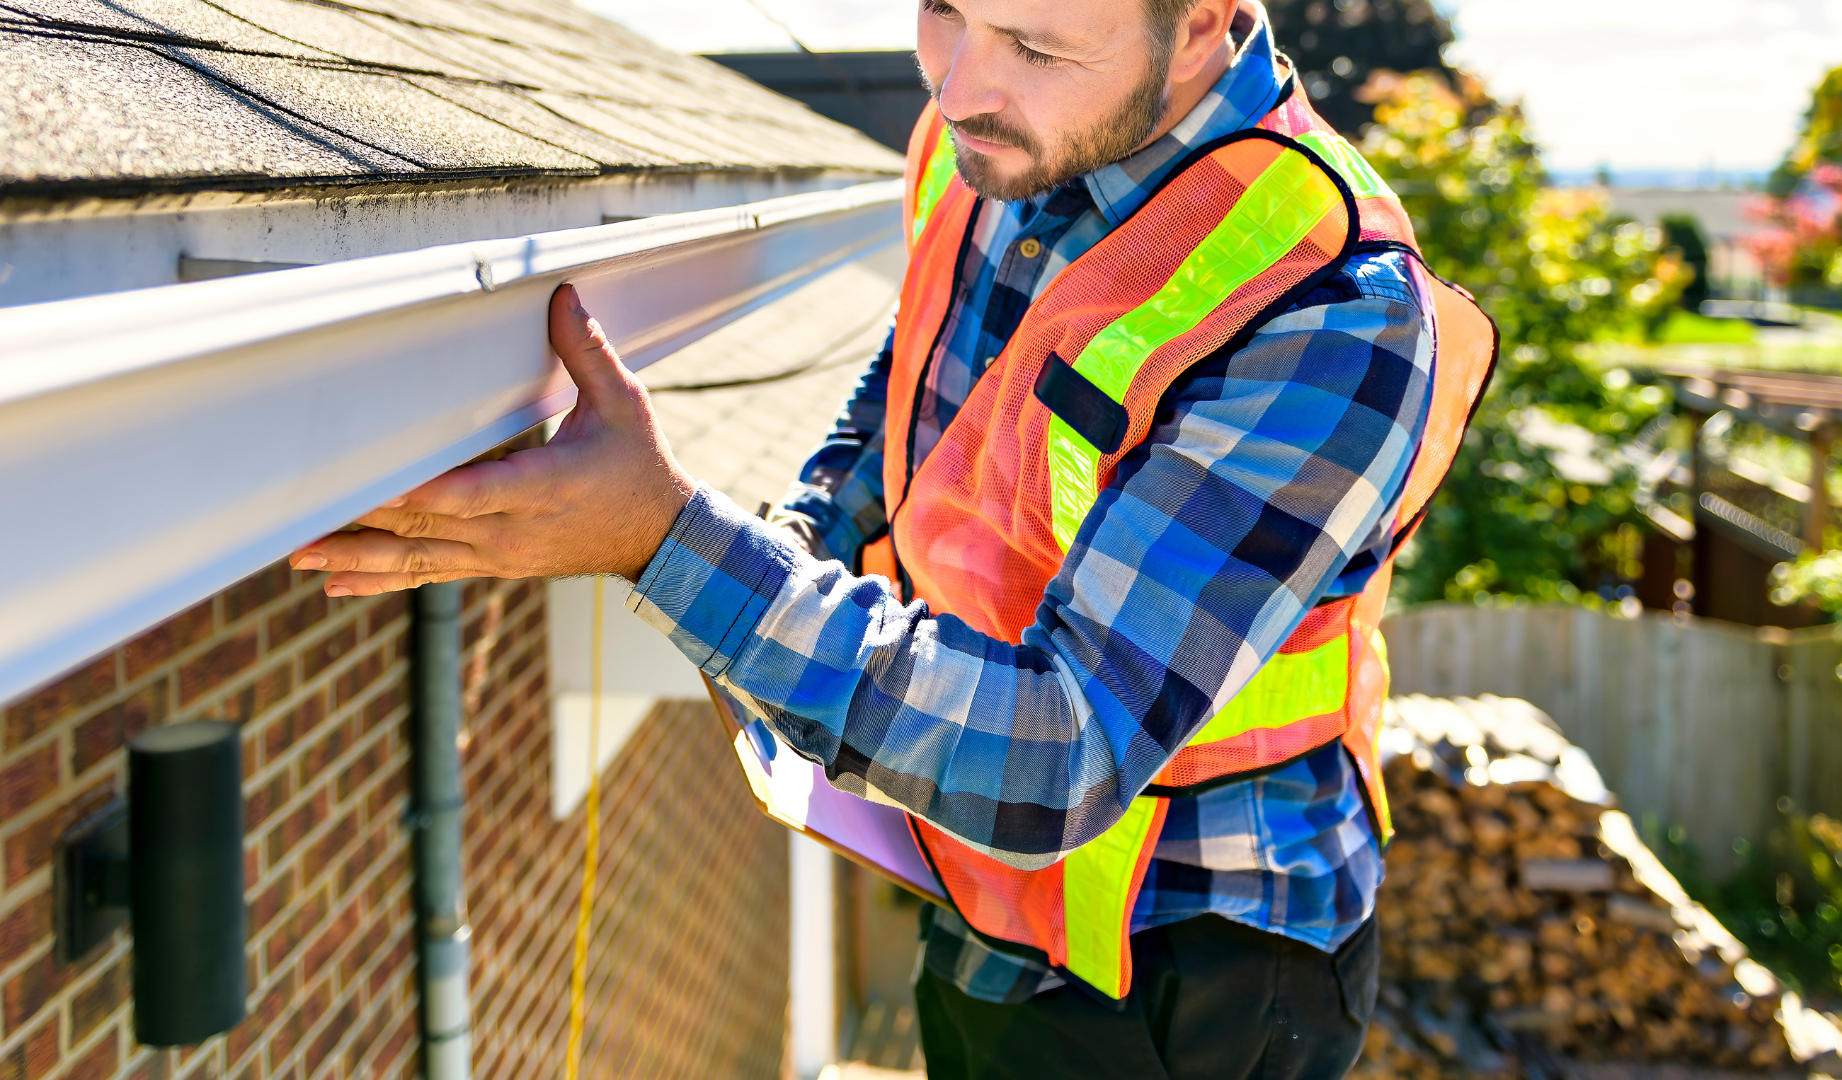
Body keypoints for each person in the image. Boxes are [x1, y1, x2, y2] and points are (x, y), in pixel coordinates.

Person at [290, 0, 1494, 1075]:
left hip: (1189, 962)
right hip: (977, 890)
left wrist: (666, 543)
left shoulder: (1329, 308)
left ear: (1199, 25)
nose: (960, 86)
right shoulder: (995, 135)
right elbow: (920, 376)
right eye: (941, 10)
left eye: (1037, 46)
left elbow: (1064, 751)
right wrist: (802, 532)